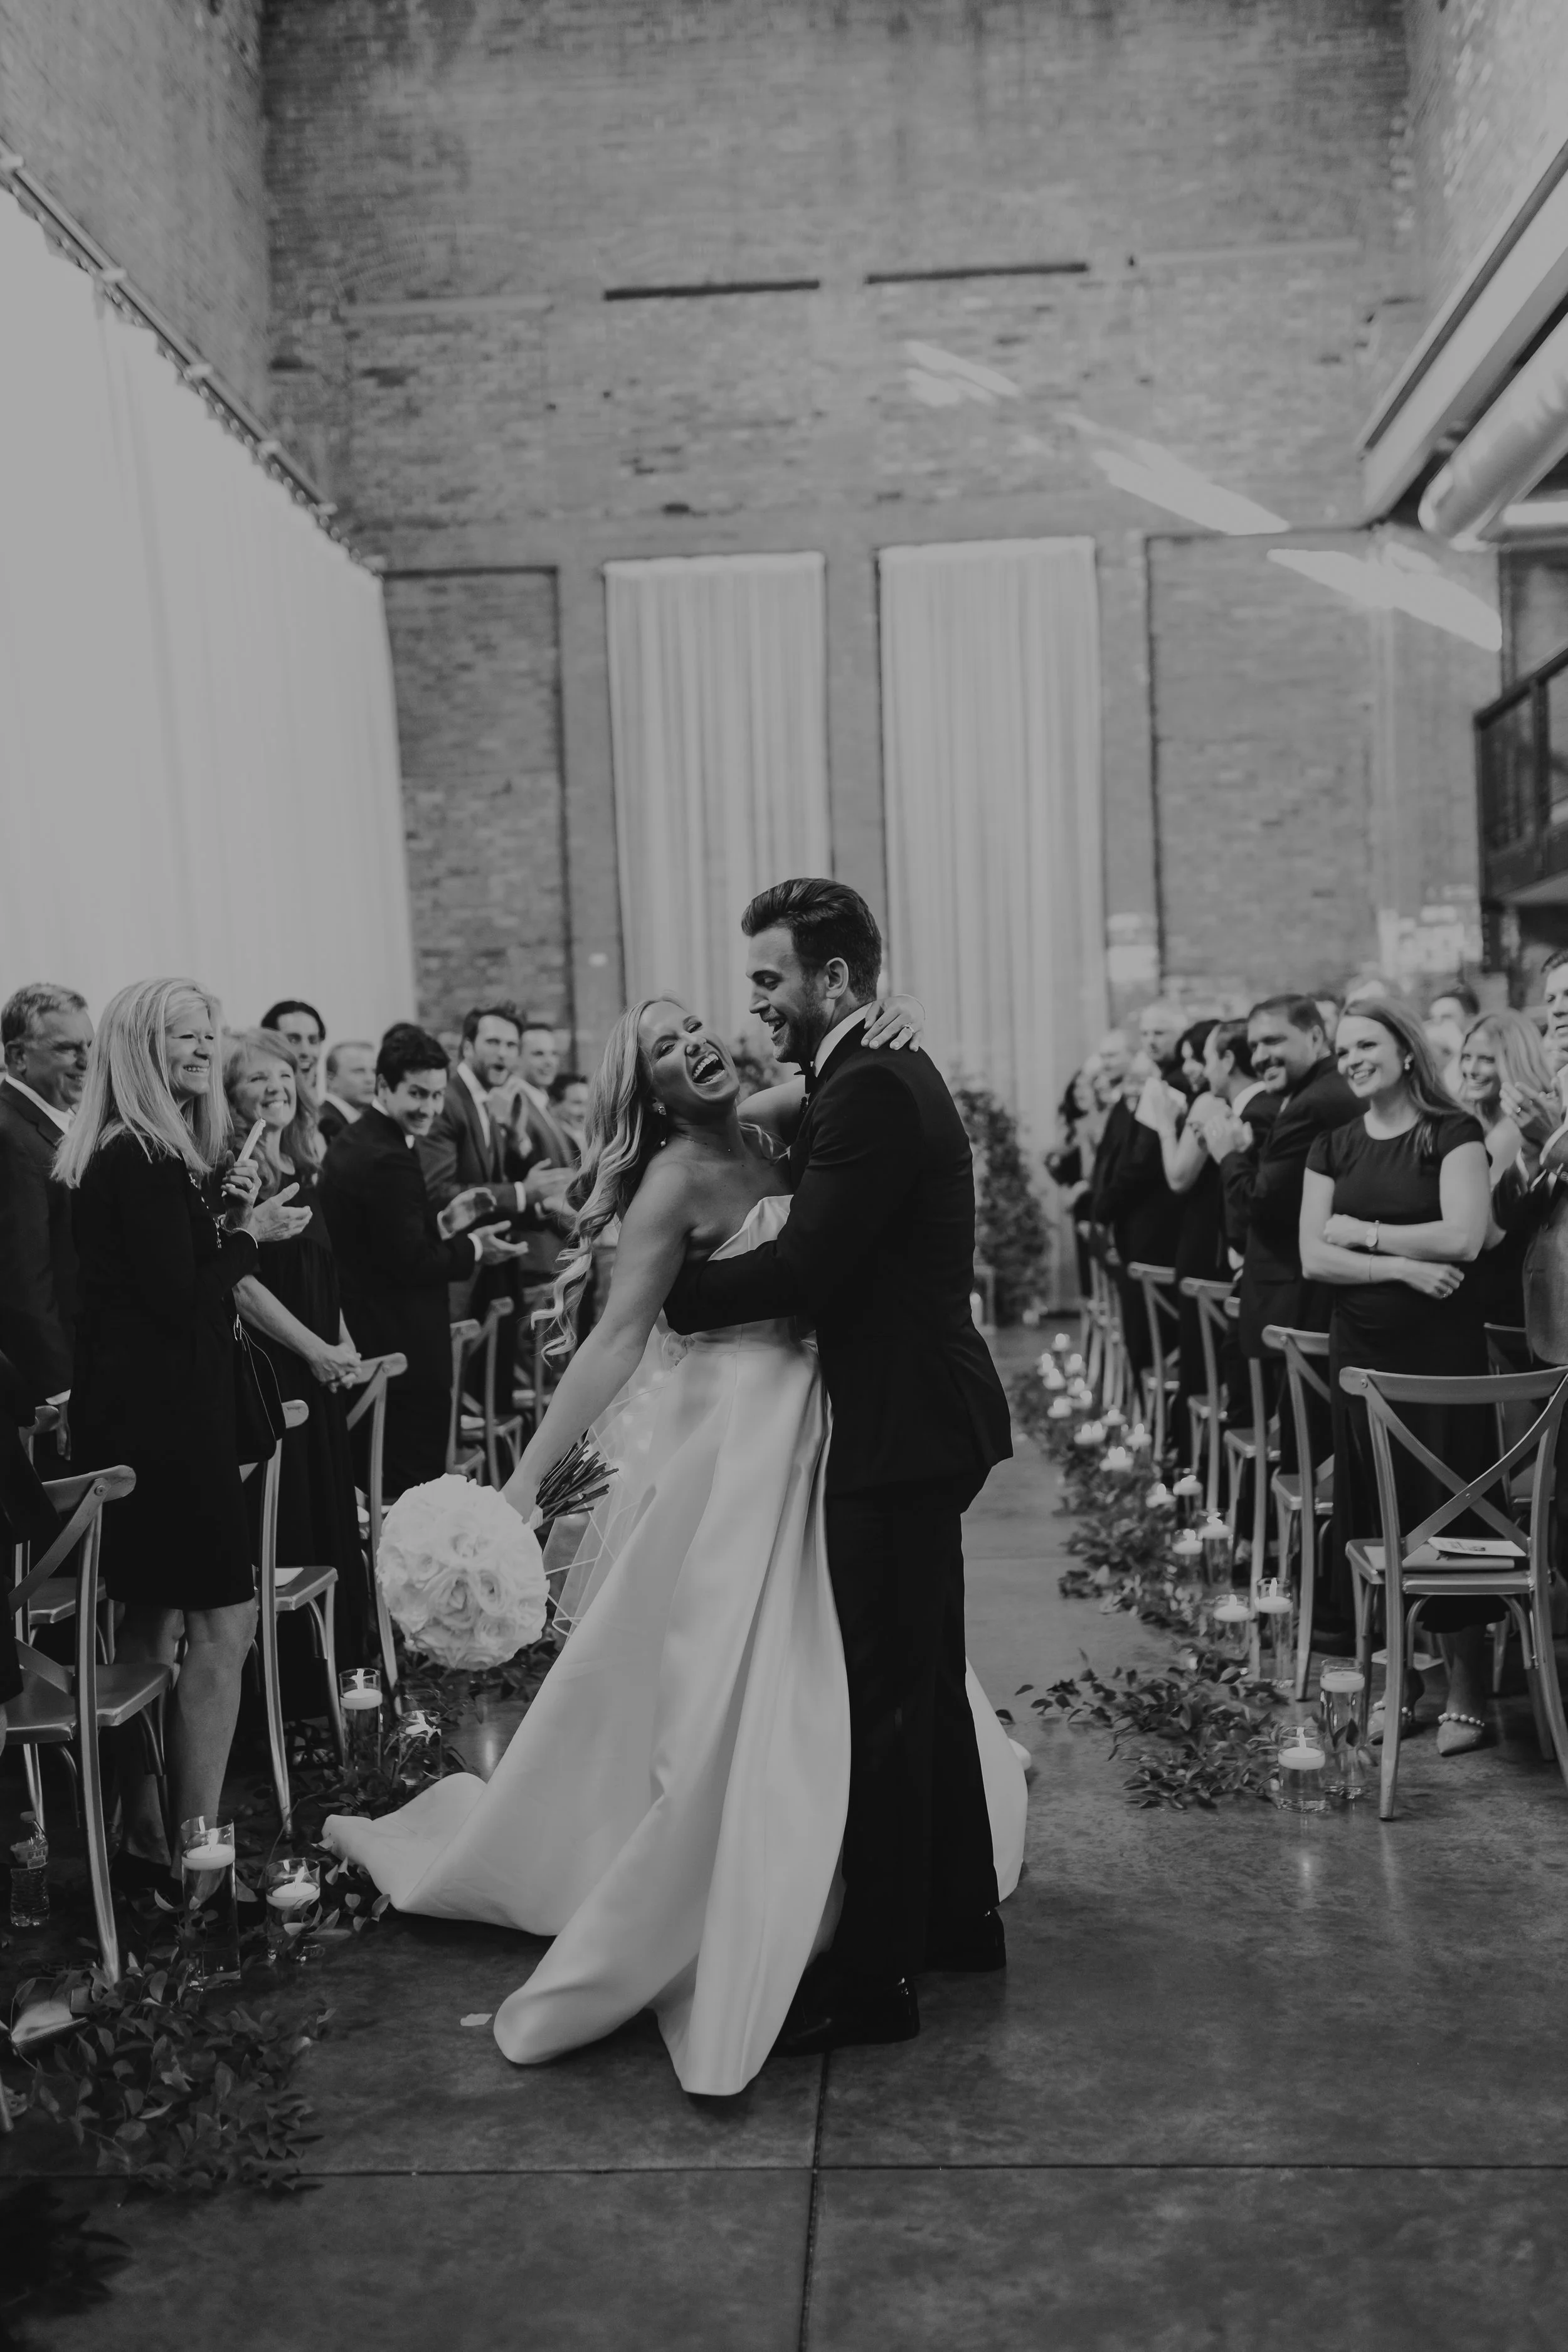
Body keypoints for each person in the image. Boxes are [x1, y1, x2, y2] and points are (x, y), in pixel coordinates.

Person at [327, 886, 1022, 2089]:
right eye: (672, 1041)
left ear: (835, 987)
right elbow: (613, 1337)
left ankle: (904, 1948)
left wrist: (890, 1014)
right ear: (640, 1087)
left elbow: (808, 1249)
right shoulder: (693, 1167)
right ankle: (905, 1923)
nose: (723, 1024)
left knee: (897, 1687)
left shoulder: (801, 1106)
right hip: (764, 1431)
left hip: (859, 1424)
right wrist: (529, 1476)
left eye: (746, 995)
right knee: (806, 1676)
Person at [56, 978, 312, 1884]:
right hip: (172, 1429)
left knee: (149, 1622)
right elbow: (185, 1303)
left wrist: (220, 1213)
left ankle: (144, 1830)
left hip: (134, 1423)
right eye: (182, 1037)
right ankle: (199, 1854)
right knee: (225, 1626)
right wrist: (251, 1233)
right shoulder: (146, 1159)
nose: (203, 1050)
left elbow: (161, 1280)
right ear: (139, 1046)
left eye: (209, 1035)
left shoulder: (126, 1153)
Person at [1300, 998, 1496, 1755]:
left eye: (1366, 1045)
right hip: (1364, 1360)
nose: (1350, 1059)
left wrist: (1367, 1233)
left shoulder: (1453, 1134)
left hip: (1442, 1360)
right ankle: (1398, 1685)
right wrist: (1402, 1269)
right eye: (1343, 1048)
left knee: (1451, 1511)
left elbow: (1466, 1234)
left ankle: (1471, 1692)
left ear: (1406, 1050)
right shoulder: (1333, 1145)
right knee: (1376, 1514)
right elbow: (1317, 1256)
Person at [318, 1024, 525, 1495]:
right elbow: (411, 1263)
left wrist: (444, 1224)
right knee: (415, 1489)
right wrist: (474, 1248)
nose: (429, 1109)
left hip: (380, 1331)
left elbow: (387, 1242)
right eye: (417, 1094)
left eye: (436, 1095)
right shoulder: (386, 1156)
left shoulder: (365, 1139)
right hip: (399, 1345)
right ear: (384, 1086)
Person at [223, 1030, 373, 1666]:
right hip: (275, 1374)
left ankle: (340, 1680)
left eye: (283, 1075)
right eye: (257, 1078)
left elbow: (321, 1271)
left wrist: (342, 1345)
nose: (276, 1087)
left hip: (316, 1368)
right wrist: (314, 1348)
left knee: (329, 1515)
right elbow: (241, 1285)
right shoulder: (238, 1172)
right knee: (290, 1530)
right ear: (229, 1095)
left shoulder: (300, 1162)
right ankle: (292, 1698)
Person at [0, 983, 92, 1404]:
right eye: (68, 1049)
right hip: (51, 1382)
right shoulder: (9, 1133)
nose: (87, 1061)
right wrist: (62, 1391)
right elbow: (24, 1279)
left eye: (89, 1045)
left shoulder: (66, 1121)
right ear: (18, 1057)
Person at [1453, 1009, 1555, 1330]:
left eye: (1485, 1059)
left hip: (1508, 1295)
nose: (1471, 1069)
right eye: (1466, 1057)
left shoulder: (1510, 1132)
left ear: (1515, 1063)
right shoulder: (1481, 1123)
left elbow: (1485, 1234)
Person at [1426, 980, 1481, 1098]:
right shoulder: (1432, 1063)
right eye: (1434, 1019)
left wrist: (1460, 1048)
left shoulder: (1490, 1056)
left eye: (1447, 1018)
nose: (1439, 1026)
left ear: (1471, 1020)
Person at [260, 1000, 326, 1096]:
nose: (305, 1051)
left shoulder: (323, 1109)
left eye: (313, 1041)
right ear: (268, 1045)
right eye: (293, 1041)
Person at [317, 1041, 376, 1146]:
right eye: (359, 1071)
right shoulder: (323, 1124)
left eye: (374, 1071)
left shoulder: (363, 1122)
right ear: (332, 1079)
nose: (370, 1079)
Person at [549, 1070, 590, 1154]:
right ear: (554, 1104)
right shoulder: (551, 1143)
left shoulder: (587, 1140)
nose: (584, 1112)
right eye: (577, 1103)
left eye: (587, 1104)